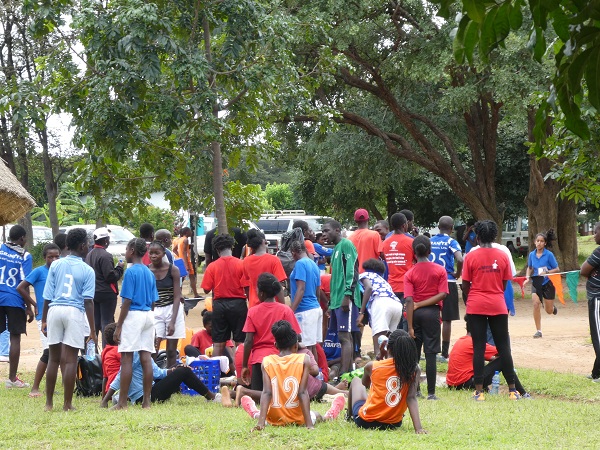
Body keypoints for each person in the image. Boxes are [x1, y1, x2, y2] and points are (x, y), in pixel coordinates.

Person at [240, 320, 346, 430]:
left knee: (266, 417)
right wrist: (309, 425)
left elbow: (266, 392)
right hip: (298, 418)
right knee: (318, 415)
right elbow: (302, 392)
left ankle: (256, 414)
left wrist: (260, 424)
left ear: (275, 346)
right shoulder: (304, 359)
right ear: (296, 346)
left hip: (274, 419)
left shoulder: (267, 361)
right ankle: (329, 416)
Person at [462, 220, 519, 401]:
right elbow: (504, 284)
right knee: (503, 347)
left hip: (476, 304)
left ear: (477, 236)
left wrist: (473, 299)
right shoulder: (503, 255)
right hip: (497, 304)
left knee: (478, 347)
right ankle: (512, 391)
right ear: (494, 236)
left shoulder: (470, 256)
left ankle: (479, 392)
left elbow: (465, 285)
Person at [42, 228, 96, 411]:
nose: (88, 247)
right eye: (87, 244)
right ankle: (67, 404)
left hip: (55, 310)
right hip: (74, 312)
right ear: (82, 246)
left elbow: (47, 295)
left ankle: (49, 403)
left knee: (53, 359)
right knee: (71, 360)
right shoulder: (87, 270)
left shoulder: (56, 265)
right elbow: (88, 301)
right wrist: (93, 330)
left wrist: (44, 320)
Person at [348, 329, 426, 432]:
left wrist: (380, 357)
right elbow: (411, 398)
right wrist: (418, 428)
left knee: (356, 381)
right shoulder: (414, 369)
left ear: (387, 347)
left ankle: (349, 416)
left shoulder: (372, 366)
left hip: (366, 421)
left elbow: (365, 383)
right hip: (393, 423)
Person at [113, 238, 158, 410]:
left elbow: (127, 301)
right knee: (146, 358)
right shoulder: (149, 272)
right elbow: (153, 301)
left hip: (133, 315)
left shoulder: (130, 272)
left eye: (126, 249)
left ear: (132, 250)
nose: (125, 253)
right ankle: (146, 402)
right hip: (148, 315)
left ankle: (122, 402)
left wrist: (119, 326)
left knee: (127, 359)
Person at [404, 236, 448, 400]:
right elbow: (442, 294)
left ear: (414, 253)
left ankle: (416, 390)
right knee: (430, 354)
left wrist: (410, 327)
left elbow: (409, 301)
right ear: (430, 251)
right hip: (432, 314)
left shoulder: (410, 273)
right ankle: (431, 393)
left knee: (414, 355)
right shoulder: (440, 270)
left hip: (414, 315)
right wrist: (422, 304)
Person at [242, 273, 301, 392]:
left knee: (259, 394)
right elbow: (297, 336)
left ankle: (241, 391)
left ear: (261, 293)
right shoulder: (285, 310)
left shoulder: (252, 311)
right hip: (281, 359)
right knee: (280, 394)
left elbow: (248, 341)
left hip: (259, 361)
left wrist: (244, 366)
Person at [16, 243, 60, 397]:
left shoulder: (60, 271)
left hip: (58, 314)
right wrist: (34, 304)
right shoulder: (39, 272)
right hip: (44, 317)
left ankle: (50, 387)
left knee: (57, 352)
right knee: (48, 352)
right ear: (44, 257)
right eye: (50, 257)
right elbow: (20, 287)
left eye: (56, 257)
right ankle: (35, 388)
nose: (53, 260)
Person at [101, 351, 220, 407]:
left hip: (150, 389)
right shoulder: (135, 353)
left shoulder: (144, 353)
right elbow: (120, 376)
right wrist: (105, 400)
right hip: (143, 397)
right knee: (184, 371)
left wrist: (174, 370)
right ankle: (211, 397)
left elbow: (158, 373)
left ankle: (210, 395)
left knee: (179, 368)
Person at [446, 318, 531, 397]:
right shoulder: (473, 342)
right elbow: (504, 354)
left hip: (452, 384)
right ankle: (522, 393)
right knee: (503, 360)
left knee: (496, 362)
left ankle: (518, 392)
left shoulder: (461, 340)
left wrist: (495, 362)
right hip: (466, 383)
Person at [321, 220, 361, 377]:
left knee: (345, 336)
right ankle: (348, 373)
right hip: (337, 300)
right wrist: (331, 303)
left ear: (337, 230)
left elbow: (352, 271)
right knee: (343, 336)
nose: (324, 234)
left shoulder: (346, 245)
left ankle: (344, 374)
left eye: (327, 230)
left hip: (345, 299)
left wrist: (347, 295)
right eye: (322, 231)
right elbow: (336, 278)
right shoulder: (336, 249)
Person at [201, 234, 247, 357]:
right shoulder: (241, 264)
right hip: (238, 304)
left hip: (219, 305)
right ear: (232, 247)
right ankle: (242, 367)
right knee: (240, 341)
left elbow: (206, 289)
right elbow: (246, 285)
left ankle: (215, 368)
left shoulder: (212, 266)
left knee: (218, 343)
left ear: (217, 250)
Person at [0, 224, 33, 388]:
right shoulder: (25, 256)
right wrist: (29, 307)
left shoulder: (0, 249)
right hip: (14, 299)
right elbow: (25, 283)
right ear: (22, 238)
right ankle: (12, 379)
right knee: (15, 337)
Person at [429, 215, 463, 361]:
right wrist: (458, 274)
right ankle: (444, 353)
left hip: (431, 282)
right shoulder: (451, 242)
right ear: (452, 228)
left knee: (432, 316)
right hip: (447, 281)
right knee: (447, 319)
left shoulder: (430, 241)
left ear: (438, 226)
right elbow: (460, 259)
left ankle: (431, 351)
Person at [85, 227, 125, 348]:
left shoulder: (89, 255)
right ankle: (107, 351)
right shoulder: (106, 255)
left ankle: (92, 352)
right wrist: (120, 268)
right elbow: (110, 276)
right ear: (106, 241)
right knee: (106, 323)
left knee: (96, 323)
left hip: (94, 293)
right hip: (106, 293)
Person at [357, 258, 403, 359]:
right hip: (397, 304)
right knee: (389, 340)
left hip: (381, 302)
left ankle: (379, 364)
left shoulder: (365, 275)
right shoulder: (383, 280)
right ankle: (389, 363)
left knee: (379, 337)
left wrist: (361, 312)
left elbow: (369, 288)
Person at [148, 241, 183, 369]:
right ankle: (152, 376)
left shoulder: (173, 270)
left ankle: (170, 376)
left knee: (171, 351)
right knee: (153, 349)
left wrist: (172, 322)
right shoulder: (147, 271)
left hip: (173, 309)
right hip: (155, 310)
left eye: (156, 253)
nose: (153, 256)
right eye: (151, 253)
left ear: (163, 253)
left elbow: (177, 296)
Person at [524, 229, 560, 338]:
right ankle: (538, 331)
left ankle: (552, 308)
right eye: (537, 241)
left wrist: (547, 272)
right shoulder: (532, 254)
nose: (539, 243)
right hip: (536, 282)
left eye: (542, 241)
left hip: (548, 282)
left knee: (548, 311)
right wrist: (527, 277)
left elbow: (557, 269)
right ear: (534, 242)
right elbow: (530, 267)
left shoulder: (549, 255)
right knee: (536, 304)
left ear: (545, 243)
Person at [289, 240, 322, 358]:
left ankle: (309, 370)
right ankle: (316, 370)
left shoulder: (300, 264)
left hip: (304, 311)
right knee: (312, 347)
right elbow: (318, 291)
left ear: (293, 253)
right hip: (315, 308)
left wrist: (291, 311)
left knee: (305, 348)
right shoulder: (314, 264)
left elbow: (301, 288)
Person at [379, 213, 414, 324]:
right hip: (407, 286)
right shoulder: (411, 242)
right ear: (404, 225)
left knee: (395, 319)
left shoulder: (385, 243)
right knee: (406, 318)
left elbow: (383, 258)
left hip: (391, 286)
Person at [241, 229, 287, 308]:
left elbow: (246, 286)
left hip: (254, 306)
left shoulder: (246, 261)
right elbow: (279, 286)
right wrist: (283, 306)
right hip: (272, 306)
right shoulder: (274, 260)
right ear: (264, 241)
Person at [580, 222, 600, 381]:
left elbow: (583, 270)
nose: (593, 235)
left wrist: (592, 270)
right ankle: (596, 372)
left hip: (597, 298)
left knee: (598, 336)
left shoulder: (599, 252)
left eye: (596, 232)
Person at [174, 227, 199, 298]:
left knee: (181, 279)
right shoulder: (185, 240)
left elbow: (174, 250)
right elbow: (184, 252)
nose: (191, 232)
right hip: (186, 261)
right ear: (187, 232)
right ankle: (195, 294)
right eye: (190, 231)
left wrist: (179, 257)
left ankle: (180, 294)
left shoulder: (179, 240)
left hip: (180, 261)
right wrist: (186, 264)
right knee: (191, 277)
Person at [101, 322, 121, 394]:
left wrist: (104, 398)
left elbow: (105, 377)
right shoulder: (118, 351)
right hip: (119, 387)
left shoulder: (105, 352)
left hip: (109, 389)